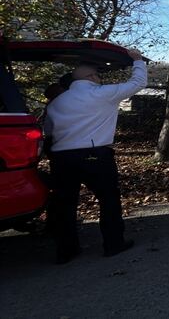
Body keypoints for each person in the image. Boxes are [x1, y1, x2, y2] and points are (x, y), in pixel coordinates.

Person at [44, 49, 146, 264]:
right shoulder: (102, 93)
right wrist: (137, 60)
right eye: (98, 75)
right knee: (108, 199)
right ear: (91, 76)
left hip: (62, 158)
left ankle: (66, 250)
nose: (100, 78)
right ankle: (113, 243)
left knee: (65, 204)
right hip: (95, 153)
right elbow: (137, 83)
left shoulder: (56, 103)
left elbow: (49, 131)